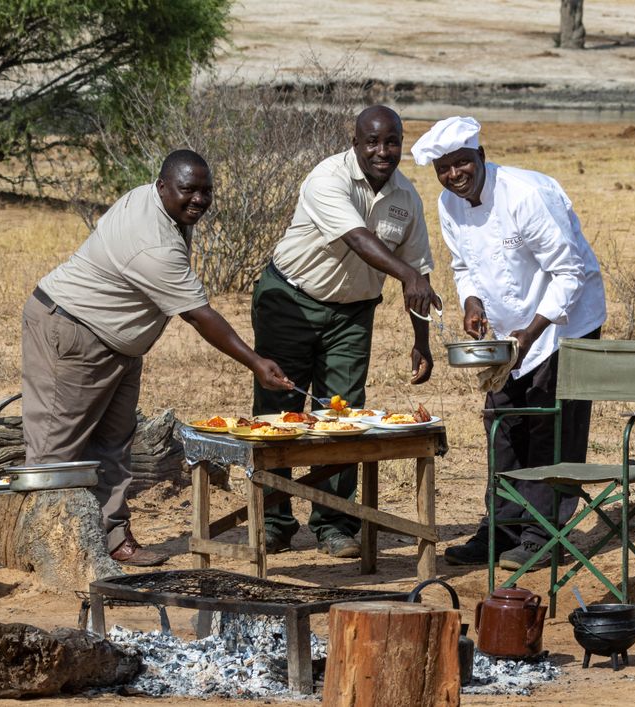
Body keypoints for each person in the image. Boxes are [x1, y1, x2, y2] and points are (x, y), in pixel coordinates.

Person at [22, 149, 292, 566]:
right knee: (57, 448)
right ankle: (47, 552)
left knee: (115, 445)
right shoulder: (153, 244)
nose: (199, 200)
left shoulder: (155, 203)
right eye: (189, 190)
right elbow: (199, 316)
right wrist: (256, 363)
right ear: (162, 186)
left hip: (117, 343)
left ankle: (112, 538)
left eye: (207, 191)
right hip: (74, 330)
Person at [411, 116, 607, 570]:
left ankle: (545, 534)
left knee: (549, 427)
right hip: (510, 331)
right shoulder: (449, 203)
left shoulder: (527, 195)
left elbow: (569, 272)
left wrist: (532, 332)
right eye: (444, 168)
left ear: (480, 157)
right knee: (502, 424)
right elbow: (464, 266)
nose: (454, 174)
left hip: (564, 323)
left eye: (462, 163)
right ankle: (500, 530)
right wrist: (472, 304)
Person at [252, 105, 440, 558]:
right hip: (290, 300)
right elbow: (359, 238)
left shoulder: (406, 198)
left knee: (343, 415)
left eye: (391, 142)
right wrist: (407, 277)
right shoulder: (326, 179)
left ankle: (334, 522)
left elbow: (419, 274)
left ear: (401, 143)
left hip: (353, 313)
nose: (382, 151)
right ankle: (273, 520)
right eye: (372, 142)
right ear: (354, 142)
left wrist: (421, 342)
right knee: (280, 409)